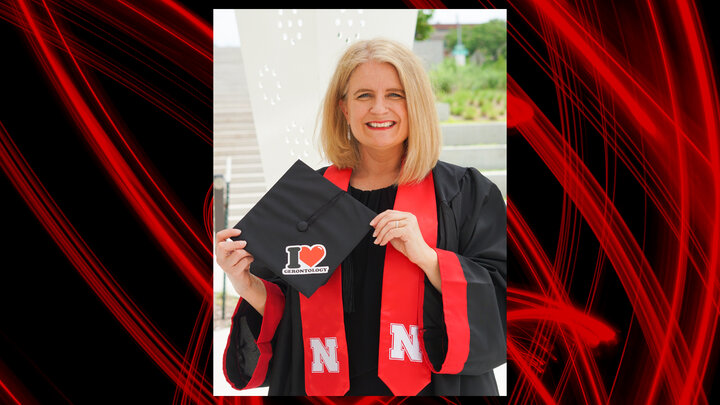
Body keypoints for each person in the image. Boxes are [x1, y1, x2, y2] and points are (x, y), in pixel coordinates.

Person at [217, 38, 506, 396]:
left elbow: (502, 299)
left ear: (416, 103)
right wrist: (246, 284)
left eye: (396, 95)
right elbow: (288, 315)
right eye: (364, 95)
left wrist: (429, 258)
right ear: (344, 108)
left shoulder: (466, 193)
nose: (379, 109)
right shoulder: (309, 197)